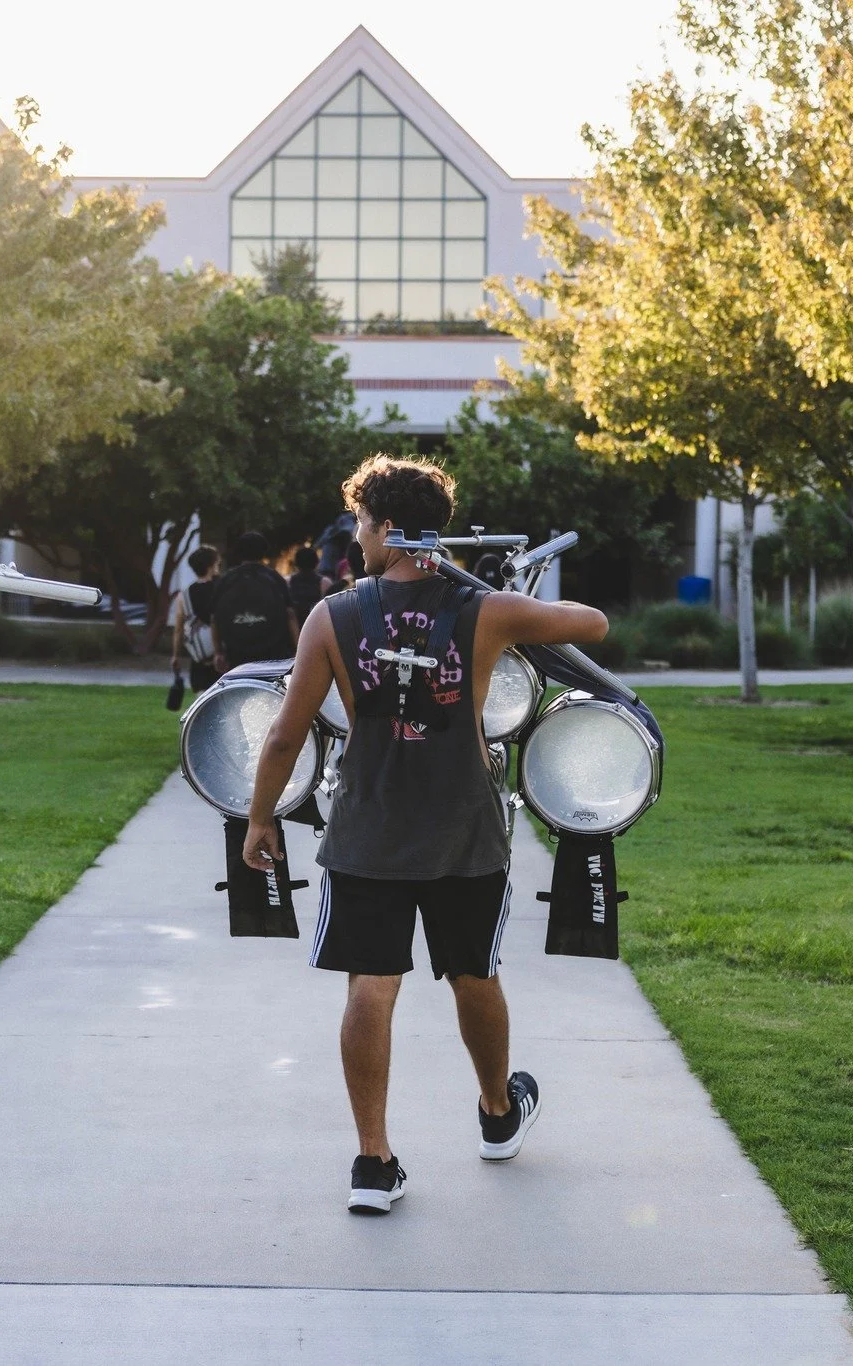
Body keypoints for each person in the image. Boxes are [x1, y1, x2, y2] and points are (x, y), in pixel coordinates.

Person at [241, 455, 607, 1216]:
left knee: (371, 986)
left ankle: (373, 1164)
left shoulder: (332, 615)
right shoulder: (489, 614)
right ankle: (498, 1114)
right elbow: (594, 625)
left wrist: (261, 816)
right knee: (475, 973)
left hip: (369, 831)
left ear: (383, 526)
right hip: (463, 833)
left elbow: (285, 735)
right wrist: (485, 591)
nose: (357, 541)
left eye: (362, 526)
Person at [208, 531, 297, 672]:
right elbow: (290, 614)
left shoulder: (226, 581)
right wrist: (297, 649)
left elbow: (214, 619)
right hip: (273, 654)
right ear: (263, 552)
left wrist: (218, 652)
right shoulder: (275, 578)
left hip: (236, 653)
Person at [171, 546, 222, 691]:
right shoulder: (222, 588)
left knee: (202, 698)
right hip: (223, 657)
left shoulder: (184, 595)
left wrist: (175, 655)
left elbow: (179, 629)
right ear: (211, 566)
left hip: (199, 657)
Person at [287, 544, 325, 623]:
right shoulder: (324, 582)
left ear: (296, 562)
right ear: (316, 562)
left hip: (294, 622)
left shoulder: (288, 581)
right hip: (315, 623)